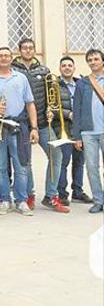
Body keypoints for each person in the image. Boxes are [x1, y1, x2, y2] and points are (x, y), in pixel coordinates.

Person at [0, 47, 38, 216]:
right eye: (0, 56)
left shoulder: (21, 78)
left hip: (18, 126)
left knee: (21, 165)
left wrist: (34, 128)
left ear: (11, 58)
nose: (4, 58)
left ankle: (21, 201)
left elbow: (30, 103)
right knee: (0, 167)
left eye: (7, 55)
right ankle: (5, 200)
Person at [12, 38, 57, 211]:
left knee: (56, 157)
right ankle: (29, 195)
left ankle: (51, 195)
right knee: (26, 161)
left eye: (31, 48)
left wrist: (50, 109)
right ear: (20, 50)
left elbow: (51, 95)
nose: (28, 51)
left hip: (44, 123)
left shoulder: (44, 70)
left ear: (34, 50)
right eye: (25, 48)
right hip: (23, 124)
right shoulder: (13, 70)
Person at [55, 56, 92, 204]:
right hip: (63, 127)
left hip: (81, 129)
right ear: (60, 68)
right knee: (63, 161)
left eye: (70, 65)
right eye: (64, 65)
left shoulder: (81, 84)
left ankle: (77, 191)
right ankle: (62, 193)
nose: (67, 68)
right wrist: (68, 114)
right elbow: (51, 107)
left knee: (79, 161)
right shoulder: (54, 85)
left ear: (74, 68)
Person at [71, 48, 104, 213]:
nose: (93, 62)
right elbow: (76, 110)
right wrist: (76, 135)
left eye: (96, 59)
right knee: (91, 167)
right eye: (90, 60)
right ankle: (98, 200)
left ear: (102, 61)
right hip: (88, 132)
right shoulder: (82, 83)